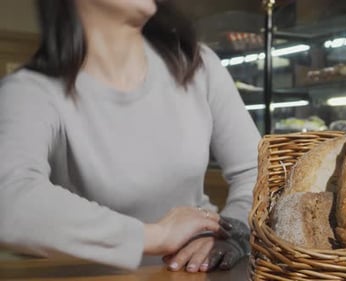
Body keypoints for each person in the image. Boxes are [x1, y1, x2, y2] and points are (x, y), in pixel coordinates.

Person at [0, 0, 261, 272]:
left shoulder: (198, 64)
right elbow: (9, 198)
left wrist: (234, 231)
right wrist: (155, 236)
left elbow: (258, 170)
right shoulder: (31, 92)